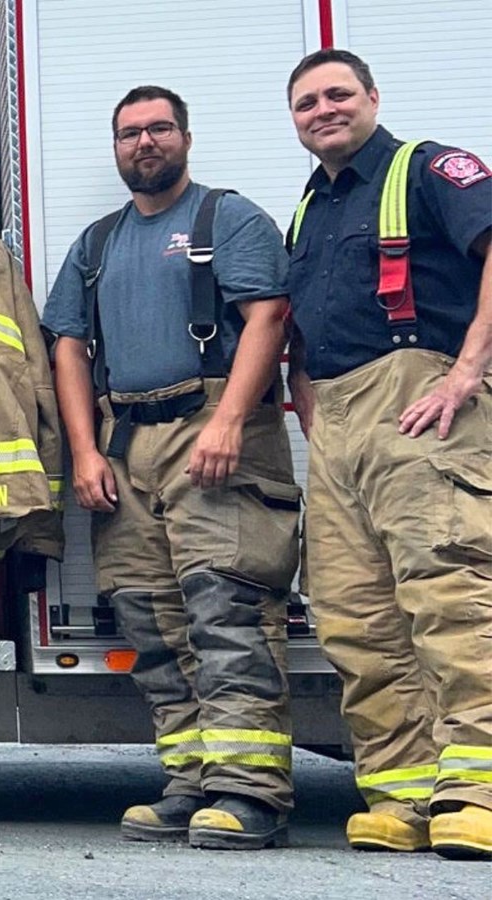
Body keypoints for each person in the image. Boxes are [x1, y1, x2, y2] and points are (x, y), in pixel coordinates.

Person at [43, 87, 299, 850]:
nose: (144, 143)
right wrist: (85, 451)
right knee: (149, 619)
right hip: (128, 444)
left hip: (214, 427)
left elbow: (270, 315)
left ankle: (251, 792)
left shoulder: (229, 219)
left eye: (158, 129)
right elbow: (67, 347)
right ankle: (191, 783)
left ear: (185, 138)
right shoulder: (95, 244)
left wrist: (226, 423)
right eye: (129, 133)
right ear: (115, 147)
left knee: (227, 609)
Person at [284, 48, 492, 860]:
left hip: (420, 404)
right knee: (354, 619)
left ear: (373, 97)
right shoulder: (309, 207)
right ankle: (402, 794)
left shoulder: (432, 168)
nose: (323, 110)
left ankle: (476, 789)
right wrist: (310, 407)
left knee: (451, 598)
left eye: (338, 94)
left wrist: (466, 374)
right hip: (337, 425)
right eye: (306, 103)